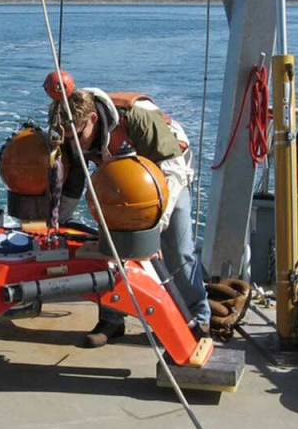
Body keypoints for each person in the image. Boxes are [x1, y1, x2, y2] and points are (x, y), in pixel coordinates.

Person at [50, 87, 211, 346]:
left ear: (92, 120)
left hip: (168, 175)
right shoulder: (75, 135)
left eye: (77, 136)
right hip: (119, 182)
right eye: (68, 139)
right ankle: (112, 320)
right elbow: (73, 186)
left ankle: (198, 316)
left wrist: (157, 223)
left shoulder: (138, 118)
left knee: (178, 251)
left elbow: (173, 170)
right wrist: (56, 223)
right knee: (110, 250)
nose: (73, 144)